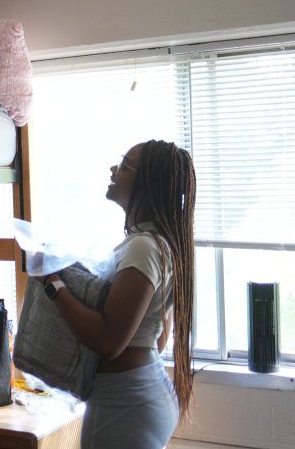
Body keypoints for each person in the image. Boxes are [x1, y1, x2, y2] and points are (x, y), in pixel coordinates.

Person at [39, 140, 196, 449]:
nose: (114, 169)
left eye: (125, 165)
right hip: (144, 393)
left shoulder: (143, 246)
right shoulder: (162, 242)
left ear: (147, 185)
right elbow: (159, 336)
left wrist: (52, 283)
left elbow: (108, 343)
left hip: (123, 402)